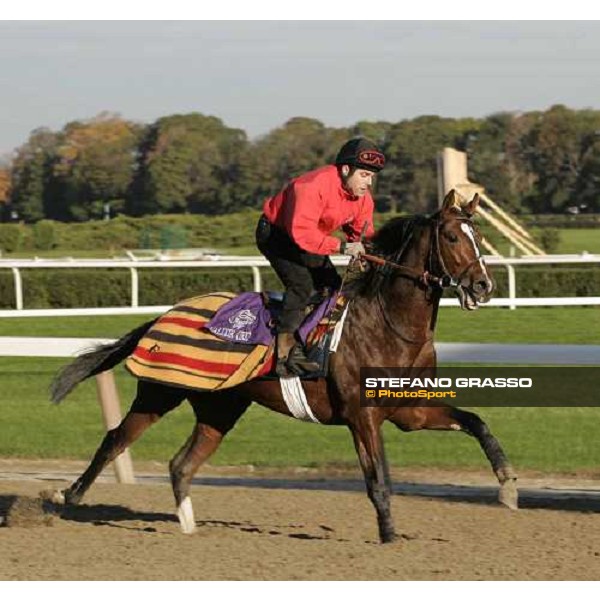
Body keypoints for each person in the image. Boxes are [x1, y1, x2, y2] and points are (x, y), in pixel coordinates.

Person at [255, 136, 386, 377]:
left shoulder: (362, 198)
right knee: (302, 285)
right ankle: (283, 355)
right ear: (346, 169)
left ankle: (311, 343)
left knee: (334, 288)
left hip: (310, 237)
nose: (368, 183)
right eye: (364, 175)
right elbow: (301, 234)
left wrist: (375, 256)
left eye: (372, 177)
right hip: (276, 234)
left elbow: (363, 233)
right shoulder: (311, 187)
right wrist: (343, 247)